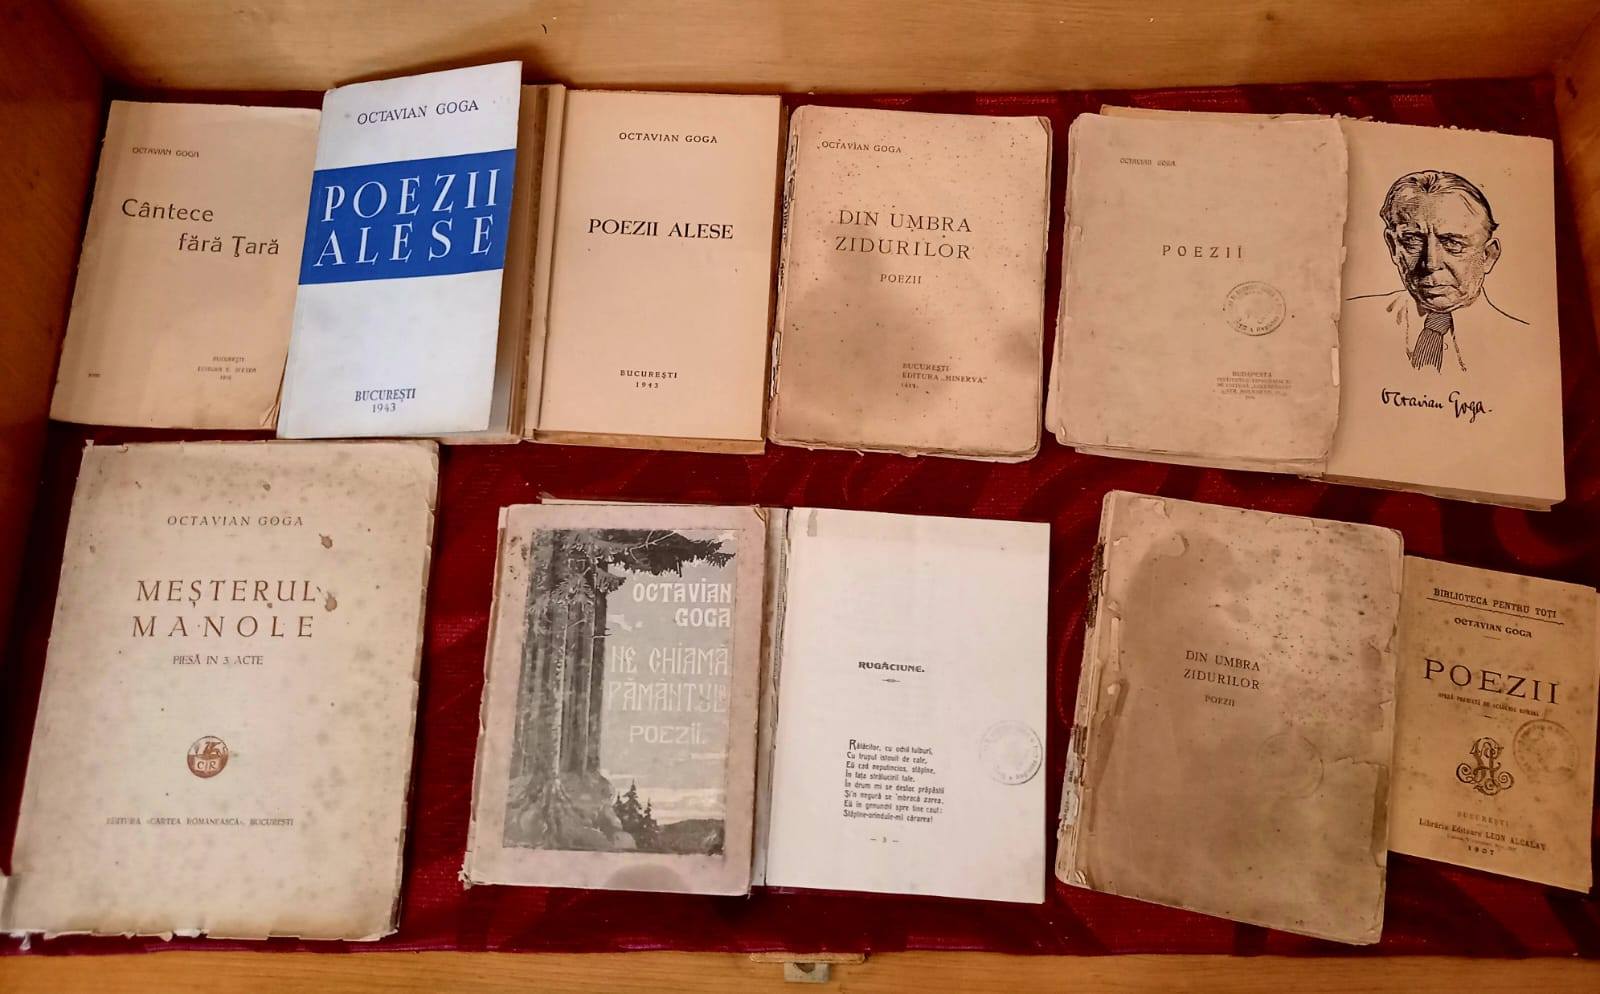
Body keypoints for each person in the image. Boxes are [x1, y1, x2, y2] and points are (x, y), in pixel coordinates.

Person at [1345, 170, 1525, 373]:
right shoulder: (1348, 322)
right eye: (1413, 240)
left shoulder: (1522, 343)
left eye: (1452, 243)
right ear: (1393, 246)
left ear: (1488, 255)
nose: (1430, 263)